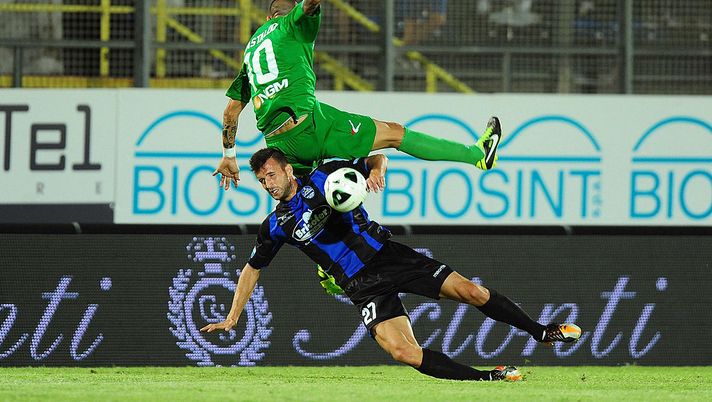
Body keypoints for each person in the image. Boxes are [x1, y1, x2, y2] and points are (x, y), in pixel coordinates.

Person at [201, 148, 583, 381]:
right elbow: (252, 269)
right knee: (403, 352)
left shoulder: (324, 175)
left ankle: (541, 332)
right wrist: (234, 317)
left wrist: (376, 170)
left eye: (270, 174)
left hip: (389, 256)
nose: (266, 183)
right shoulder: (275, 225)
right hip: (359, 286)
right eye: (260, 179)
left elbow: (375, 154)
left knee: (472, 291)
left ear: (287, 170)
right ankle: (490, 378)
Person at [212, 0, 501, 190]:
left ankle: (328, 270)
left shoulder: (251, 50)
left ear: (266, 18)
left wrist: (229, 155)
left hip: (278, 143)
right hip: (309, 125)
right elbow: (310, 5)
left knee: (305, 204)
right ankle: (477, 155)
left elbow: (230, 111)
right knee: (395, 134)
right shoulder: (292, 25)